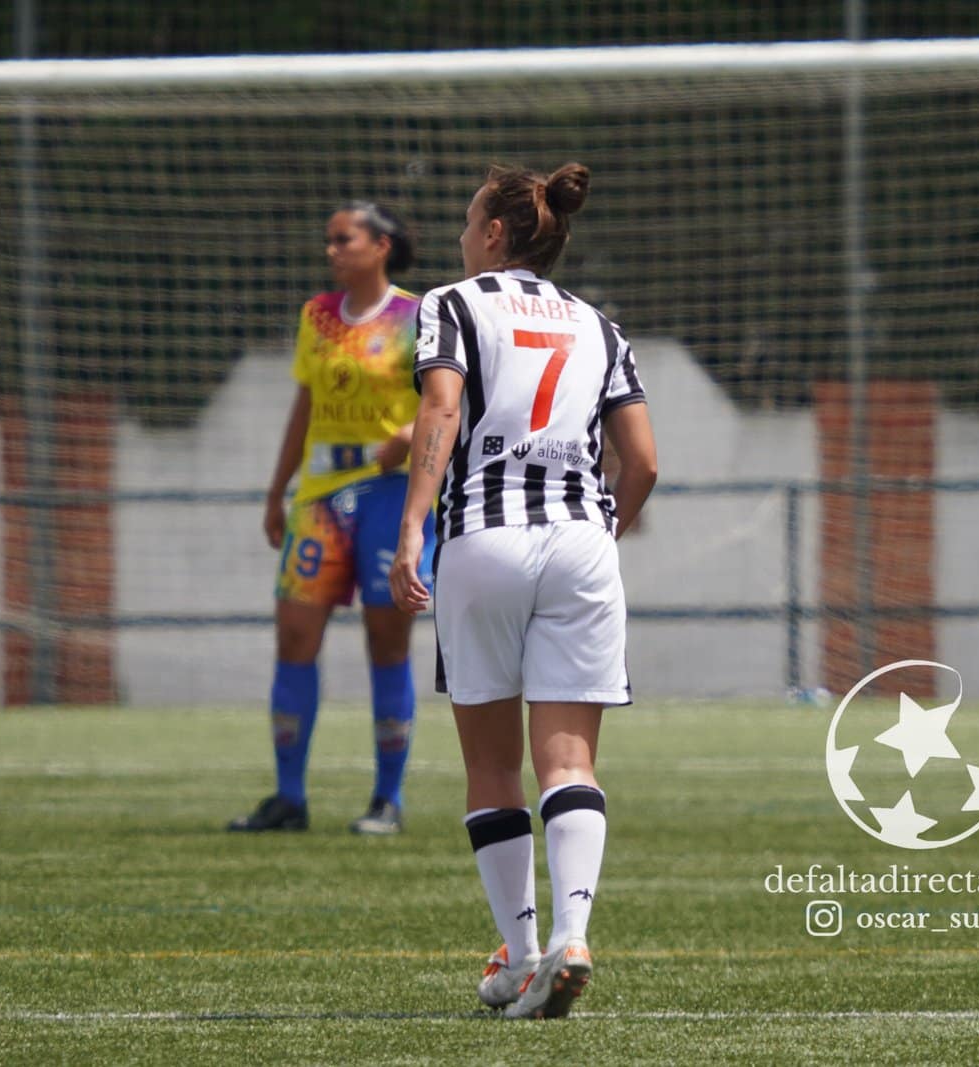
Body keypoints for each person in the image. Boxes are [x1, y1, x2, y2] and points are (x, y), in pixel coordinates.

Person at [388, 163, 658, 1020]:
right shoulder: (599, 325)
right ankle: (574, 936)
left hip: (484, 540)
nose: (464, 238)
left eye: (470, 224)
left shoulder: (452, 303)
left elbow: (439, 411)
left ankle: (522, 953)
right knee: (569, 759)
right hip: (582, 542)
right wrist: (607, 526)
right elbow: (644, 460)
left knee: (492, 761)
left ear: (496, 234)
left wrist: (410, 531)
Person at [228, 201, 434, 836]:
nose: (332, 250)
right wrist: (276, 490)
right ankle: (289, 797)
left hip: (388, 493)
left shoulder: (417, 315)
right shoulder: (316, 315)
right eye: (328, 240)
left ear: (381, 246)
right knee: (294, 637)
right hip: (320, 496)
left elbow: (451, 403)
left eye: (343, 239)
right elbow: (305, 404)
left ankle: (387, 799)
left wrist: (406, 432)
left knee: (386, 642)